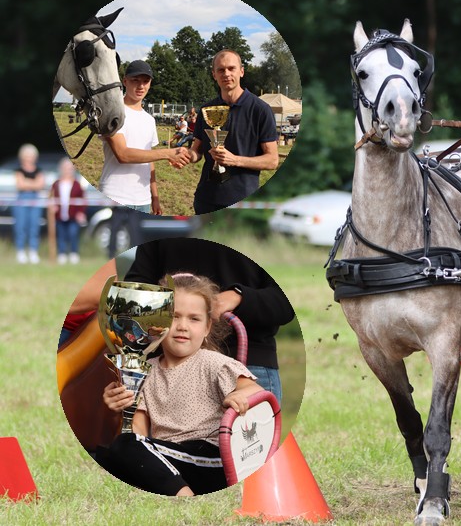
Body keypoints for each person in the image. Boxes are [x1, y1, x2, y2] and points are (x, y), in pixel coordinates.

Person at [96, 272, 263, 496]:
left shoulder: (213, 363)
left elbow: (256, 392)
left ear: (206, 328)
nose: (183, 326)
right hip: (167, 457)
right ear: (156, 323)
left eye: (194, 319)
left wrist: (241, 395)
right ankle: (174, 488)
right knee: (109, 455)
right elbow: (138, 430)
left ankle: (183, 497)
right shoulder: (144, 369)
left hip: (211, 458)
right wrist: (121, 408)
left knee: (125, 448)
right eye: (174, 316)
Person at [124, 238, 294, 402]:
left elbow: (286, 302)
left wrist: (239, 297)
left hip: (247, 362)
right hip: (167, 366)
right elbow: (135, 292)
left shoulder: (259, 235)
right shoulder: (168, 226)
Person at [186, 50, 279, 214]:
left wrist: (235, 160)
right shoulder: (207, 110)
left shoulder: (260, 110)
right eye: (221, 70)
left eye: (231, 68)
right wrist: (185, 155)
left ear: (241, 71)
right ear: (214, 74)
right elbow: (197, 151)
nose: (226, 74)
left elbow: (272, 160)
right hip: (206, 200)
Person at [98, 60, 190, 215]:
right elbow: (123, 154)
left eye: (145, 81)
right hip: (115, 196)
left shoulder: (149, 120)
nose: (141, 86)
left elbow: (149, 161)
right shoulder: (113, 114)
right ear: (125, 81)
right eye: (135, 80)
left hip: (143, 201)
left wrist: (154, 196)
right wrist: (167, 153)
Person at [49, 157, 87, 265]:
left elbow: (82, 200)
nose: (67, 170)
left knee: (73, 234)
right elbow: (51, 197)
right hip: (59, 215)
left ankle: (74, 253)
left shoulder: (77, 184)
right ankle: (62, 254)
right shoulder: (56, 184)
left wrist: (81, 213)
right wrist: (52, 206)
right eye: (65, 168)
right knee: (61, 235)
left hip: (73, 215)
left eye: (70, 168)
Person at [12, 143, 45, 264]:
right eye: (27, 156)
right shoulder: (19, 170)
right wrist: (33, 184)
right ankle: (20, 251)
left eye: (31, 156)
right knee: (21, 226)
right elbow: (20, 185)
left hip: (35, 200)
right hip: (22, 199)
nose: (29, 158)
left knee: (34, 226)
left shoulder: (39, 170)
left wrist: (27, 183)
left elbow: (40, 185)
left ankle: (33, 251)